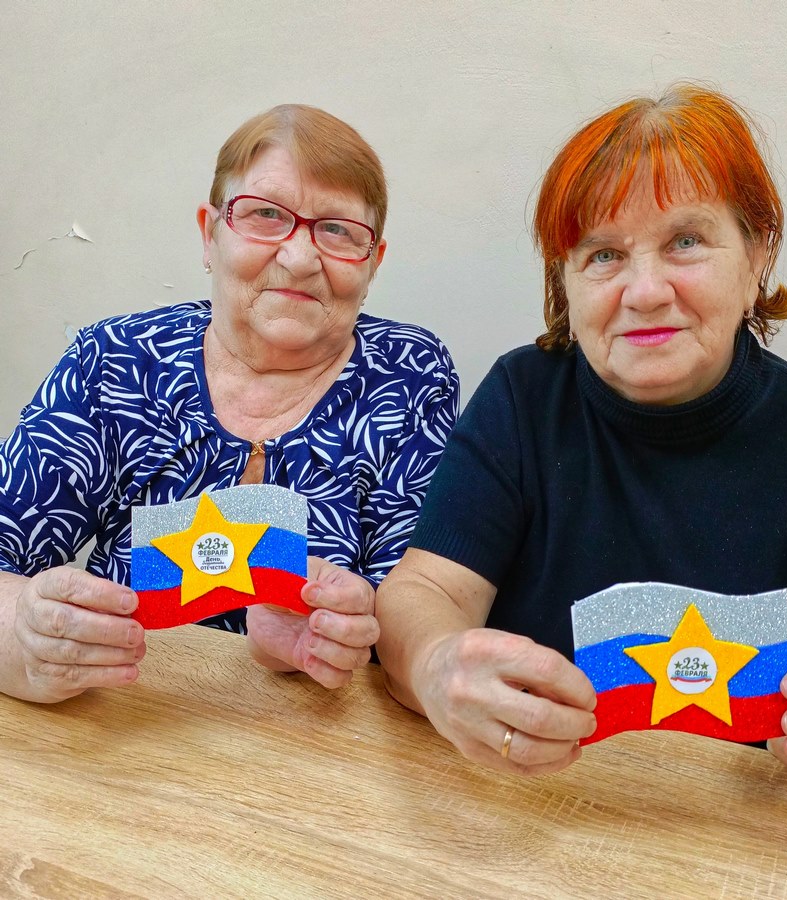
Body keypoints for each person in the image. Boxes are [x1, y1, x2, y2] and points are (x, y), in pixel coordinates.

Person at [376, 84, 787, 793]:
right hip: (528, 803)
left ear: (756, 256)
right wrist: (435, 664)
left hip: (741, 825)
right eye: (603, 254)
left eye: (685, 242)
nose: (645, 291)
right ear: (565, 282)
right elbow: (425, 589)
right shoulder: (523, 398)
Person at [0, 104, 458, 703]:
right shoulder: (116, 360)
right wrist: (21, 630)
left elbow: (416, 605)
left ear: (374, 262)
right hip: (123, 713)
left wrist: (334, 631)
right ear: (209, 233)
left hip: (316, 730)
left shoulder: (410, 376)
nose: (300, 258)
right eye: (266, 215)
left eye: (338, 230)